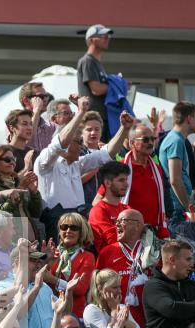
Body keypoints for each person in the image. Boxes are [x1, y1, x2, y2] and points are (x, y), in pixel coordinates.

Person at [35, 97, 132, 236]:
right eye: (78, 142)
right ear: (67, 144)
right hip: (56, 225)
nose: (82, 146)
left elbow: (106, 154)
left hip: (78, 221)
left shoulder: (76, 164)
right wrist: (81, 112)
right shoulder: (46, 161)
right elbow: (59, 144)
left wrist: (124, 129)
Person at [44, 212, 95, 317]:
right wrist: (45, 261)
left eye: (74, 228)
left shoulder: (87, 257)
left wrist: (54, 280)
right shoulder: (52, 253)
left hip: (73, 314)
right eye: (64, 227)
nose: (68, 231)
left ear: (81, 232)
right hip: (48, 310)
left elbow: (80, 289)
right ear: (59, 231)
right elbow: (38, 280)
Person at [159, 102, 195, 226]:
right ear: (189, 118)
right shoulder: (176, 141)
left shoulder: (177, 140)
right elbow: (175, 180)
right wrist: (189, 208)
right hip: (176, 211)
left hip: (178, 209)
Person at [77, 25, 113, 140]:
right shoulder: (88, 60)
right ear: (92, 40)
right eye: (103, 36)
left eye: (108, 36)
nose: (107, 39)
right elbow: (96, 89)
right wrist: (117, 87)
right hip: (92, 121)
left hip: (100, 119)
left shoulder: (97, 62)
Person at [89, 161, 131, 253]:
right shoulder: (98, 210)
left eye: (126, 180)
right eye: (121, 180)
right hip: (110, 258)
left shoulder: (127, 208)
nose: (126, 184)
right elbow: (113, 240)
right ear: (108, 183)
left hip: (129, 255)